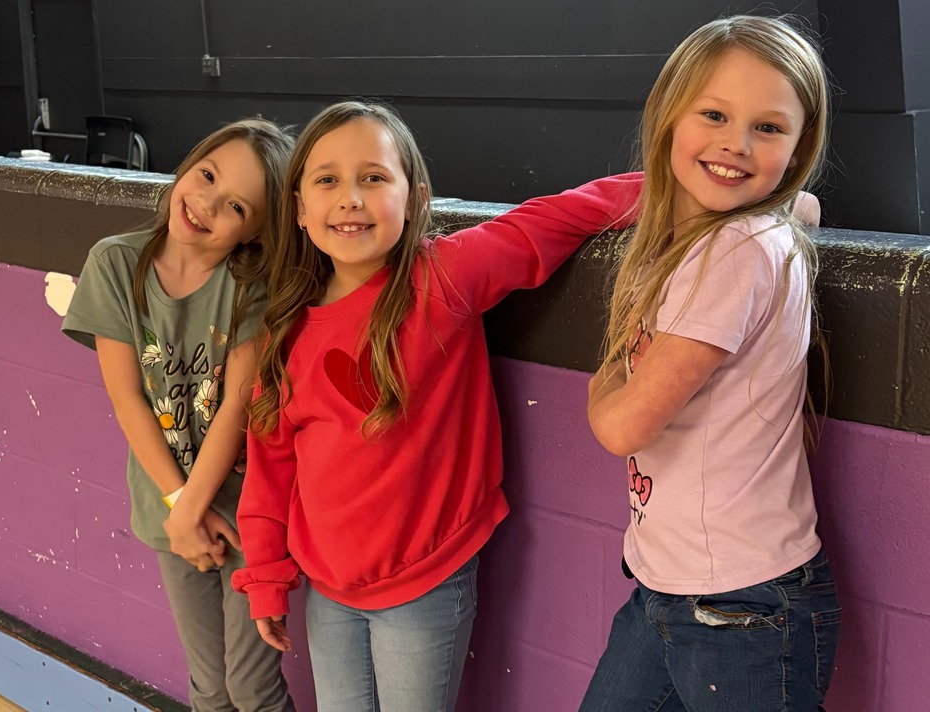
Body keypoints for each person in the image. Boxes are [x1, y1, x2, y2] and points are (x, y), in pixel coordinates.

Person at [230, 100, 642, 712]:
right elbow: (270, 470)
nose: (350, 197)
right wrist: (266, 577)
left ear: (415, 196)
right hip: (327, 588)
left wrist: (705, 196)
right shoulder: (284, 332)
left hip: (425, 583)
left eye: (374, 176)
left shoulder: (444, 277)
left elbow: (561, 217)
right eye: (327, 180)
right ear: (297, 208)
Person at [579, 15, 841, 712]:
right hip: (670, 590)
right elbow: (804, 207)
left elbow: (623, 427)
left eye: (768, 129)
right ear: (670, 116)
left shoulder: (735, 252)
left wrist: (608, 372)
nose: (736, 144)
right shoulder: (744, 234)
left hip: (739, 608)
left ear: (798, 146)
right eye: (717, 115)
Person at [62, 118, 296, 712]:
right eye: (207, 175)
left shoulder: (251, 287)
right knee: (210, 689)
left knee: (252, 687)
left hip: (248, 511)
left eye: (236, 206)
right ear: (189, 162)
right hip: (169, 509)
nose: (205, 203)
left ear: (258, 231)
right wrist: (179, 508)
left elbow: (238, 407)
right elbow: (128, 399)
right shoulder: (115, 264)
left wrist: (194, 509)